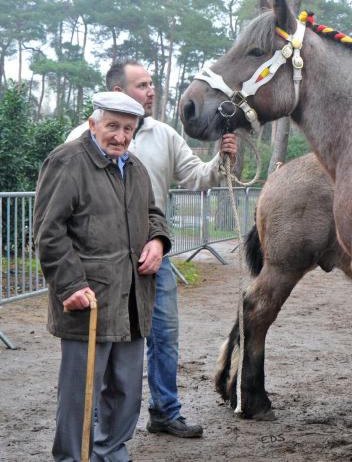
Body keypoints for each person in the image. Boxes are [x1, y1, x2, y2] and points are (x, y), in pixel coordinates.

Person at [66, 60, 238, 438]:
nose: (151, 91)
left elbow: (195, 177)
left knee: (164, 335)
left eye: (151, 84)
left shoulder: (165, 136)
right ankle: (92, 422)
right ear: (116, 90)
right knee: (104, 340)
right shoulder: (80, 138)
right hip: (101, 263)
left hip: (153, 256)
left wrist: (221, 159)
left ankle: (164, 411)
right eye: (142, 85)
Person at [37, 92, 172, 461]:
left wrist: (158, 241)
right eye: (112, 126)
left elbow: (153, 213)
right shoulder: (67, 162)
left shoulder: (136, 168)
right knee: (81, 392)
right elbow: (49, 232)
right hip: (88, 300)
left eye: (128, 129)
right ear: (93, 123)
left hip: (133, 298)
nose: (120, 136)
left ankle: (111, 452)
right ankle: (71, 458)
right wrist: (69, 285)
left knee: (127, 389)